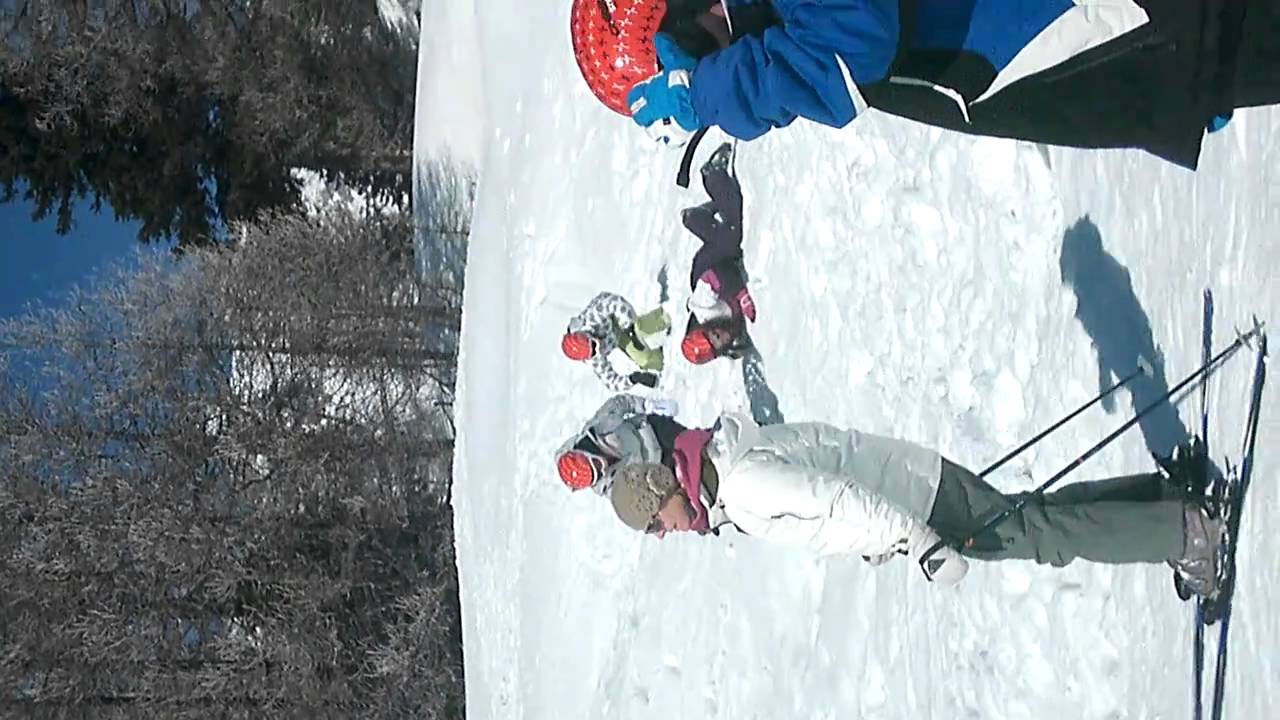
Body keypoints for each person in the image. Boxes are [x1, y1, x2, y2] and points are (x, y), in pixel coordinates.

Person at [573, 0, 1278, 169]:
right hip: (1150, 48)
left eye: (706, 48)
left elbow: (852, 47)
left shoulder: (800, 27)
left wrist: (708, 94)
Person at [607, 411, 1224, 598]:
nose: (662, 533)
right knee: (1034, 519)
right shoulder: (728, 462)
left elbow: (839, 495)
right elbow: (832, 475)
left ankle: (1185, 532)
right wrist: (881, 540)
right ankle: (1165, 502)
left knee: (1041, 535)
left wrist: (917, 539)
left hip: (920, 500)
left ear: (664, 493)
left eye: (654, 523)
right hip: (911, 488)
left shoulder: (740, 486)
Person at [680, 142, 757, 365]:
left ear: (706, 326)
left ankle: (713, 176)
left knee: (733, 233)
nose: (721, 336)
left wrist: (741, 294)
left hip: (710, 265)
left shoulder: (704, 306)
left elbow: (719, 275)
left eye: (714, 334)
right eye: (719, 342)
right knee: (727, 235)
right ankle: (694, 219)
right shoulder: (731, 338)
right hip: (720, 262)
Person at [554, 393, 709, 498]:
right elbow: (637, 501)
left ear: (587, 452)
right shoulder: (611, 489)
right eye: (598, 475)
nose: (604, 468)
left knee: (696, 447)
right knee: (695, 479)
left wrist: (650, 406)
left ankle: (715, 444)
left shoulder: (601, 425)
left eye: (596, 463)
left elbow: (621, 403)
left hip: (654, 431)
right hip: (659, 467)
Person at [562, 291, 672, 391]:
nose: (598, 348)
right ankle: (666, 360)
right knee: (643, 360)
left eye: (594, 344)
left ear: (587, 335)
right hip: (617, 338)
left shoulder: (592, 317)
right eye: (594, 353)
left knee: (639, 328)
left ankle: (665, 317)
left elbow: (615, 303)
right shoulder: (595, 360)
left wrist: (629, 327)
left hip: (616, 319)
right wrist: (634, 379)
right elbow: (611, 382)